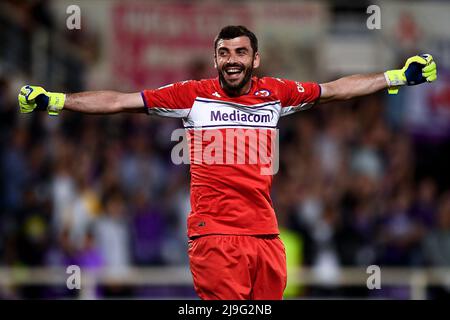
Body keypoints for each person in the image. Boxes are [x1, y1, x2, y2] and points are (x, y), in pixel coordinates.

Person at [18, 25, 437, 300]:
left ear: (255, 59)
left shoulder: (275, 93)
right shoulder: (191, 94)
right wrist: (57, 101)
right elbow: (118, 101)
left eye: (240, 52)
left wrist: (396, 77)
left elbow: (335, 89)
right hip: (215, 236)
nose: (231, 59)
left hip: (266, 237)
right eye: (223, 52)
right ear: (215, 59)